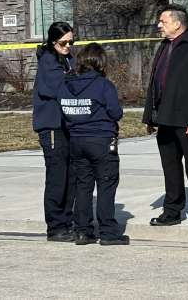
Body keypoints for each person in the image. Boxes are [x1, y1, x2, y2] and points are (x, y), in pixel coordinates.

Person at [142, 4, 188, 227]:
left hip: (186, 120)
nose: (159, 25)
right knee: (170, 167)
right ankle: (172, 211)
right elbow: (156, 82)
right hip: (164, 118)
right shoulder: (164, 46)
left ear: (177, 23)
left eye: (163, 21)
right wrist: (150, 117)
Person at [59, 42, 128, 245]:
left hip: (76, 140)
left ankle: (83, 231)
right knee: (106, 184)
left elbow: (62, 110)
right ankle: (108, 232)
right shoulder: (103, 85)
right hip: (101, 140)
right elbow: (116, 113)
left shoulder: (65, 84)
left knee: (83, 186)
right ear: (100, 62)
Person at [32, 21, 76, 243]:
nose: (67, 46)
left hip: (67, 125)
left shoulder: (67, 58)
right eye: (63, 43)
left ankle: (67, 220)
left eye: (71, 42)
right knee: (57, 176)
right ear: (52, 42)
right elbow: (60, 89)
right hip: (51, 126)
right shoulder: (49, 61)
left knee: (70, 175)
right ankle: (56, 225)